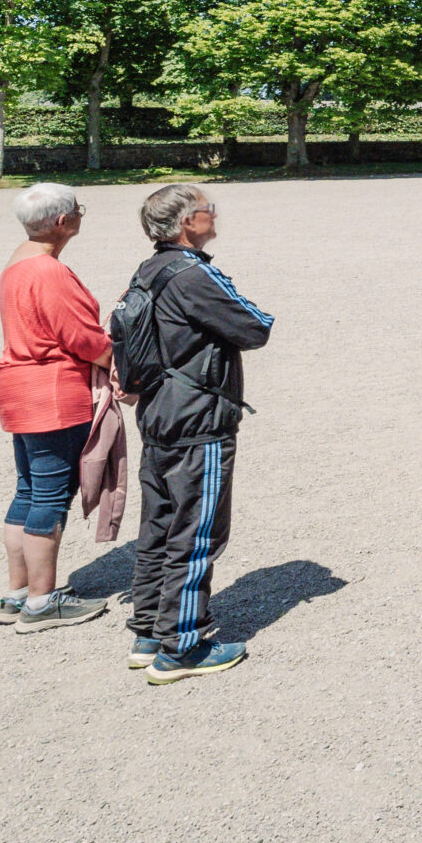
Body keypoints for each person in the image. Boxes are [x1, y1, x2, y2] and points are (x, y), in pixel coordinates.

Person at [123, 184, 273, 683]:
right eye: (209, 209)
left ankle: (148, 630)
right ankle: (181, 645)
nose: (215, 216)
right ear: (188, 222)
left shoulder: (149, 270)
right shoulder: (194, 274)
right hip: (198, 416)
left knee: (159, 526)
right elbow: (255, 326)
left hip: (159, 412)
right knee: (198, 528)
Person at [0, 183, 113, 633]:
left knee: (27, 490)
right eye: (78, 210)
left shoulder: (16, 264)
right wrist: (116, 363)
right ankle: (42, 604)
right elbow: (81, 337)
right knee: (50, 496)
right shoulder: (48, 271)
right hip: (52, 391)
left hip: (17, 387)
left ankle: (18, 592)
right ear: (63, 222)